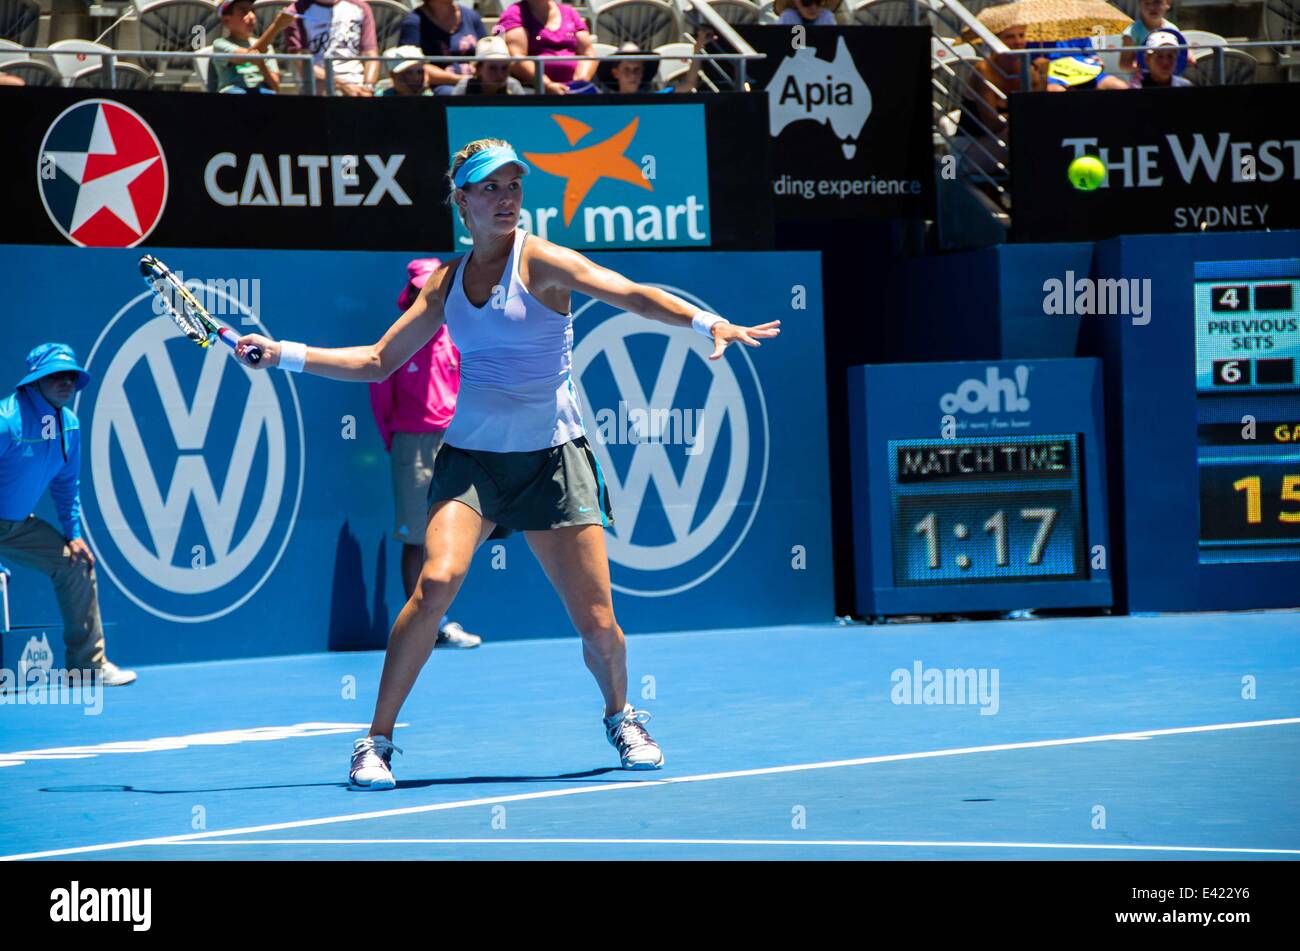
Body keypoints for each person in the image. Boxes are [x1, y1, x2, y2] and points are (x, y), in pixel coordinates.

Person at [234, 139, 780, 789]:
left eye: (514, 185)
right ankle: (375, 741)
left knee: (599, 623)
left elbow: (631, 295)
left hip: (555, 458)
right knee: (435, 583)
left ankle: (621, 715)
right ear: (461, 200)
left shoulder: (543, 261)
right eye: (489, 188)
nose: (506, 198)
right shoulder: (444, 285)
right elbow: (379, 359)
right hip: (472, 462)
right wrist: (283, 354)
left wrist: (702, 322)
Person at [0, 344, 135, 686]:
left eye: (71, 376)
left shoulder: (69, 426)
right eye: (55, 375)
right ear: (34, 382)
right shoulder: (5, 422)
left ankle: (86, 668)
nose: (66, 382)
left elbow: (66, 484)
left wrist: (73, 534)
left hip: (15, 527)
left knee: (76, 564)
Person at [369, 258, 481, 650]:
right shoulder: (398, 338)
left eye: (428, 288)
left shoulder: (457, 336)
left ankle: (440, 622)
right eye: (416, 289)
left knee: (448, 539)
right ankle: (425, 627)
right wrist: (396, 442)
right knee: (416, 537)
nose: (423, 295)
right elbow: (380, 396)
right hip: (411, 445)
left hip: (455, 443)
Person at [495, 0, 597, 94]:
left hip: (577, 91)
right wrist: (547, 85)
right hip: (534, 92)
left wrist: (579, 83)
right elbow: (518, 58)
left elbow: (588, 52)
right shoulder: (514, 14)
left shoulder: (569, 12)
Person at [281, 0, 380, 97]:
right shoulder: (296, 11)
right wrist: (341, 84)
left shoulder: (361, 8)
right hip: (317, 84)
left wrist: (368, 87)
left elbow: (370, 56)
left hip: (356, 82)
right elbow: (303, 65)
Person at [398, 0, 487, 96]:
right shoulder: (413, 22)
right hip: (438, 90)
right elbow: (410, 66)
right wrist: (462, 80)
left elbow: (487, 55)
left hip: (478, 84)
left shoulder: (472, 17)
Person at [212, 0, 297, 94]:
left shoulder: (266, 46)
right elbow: (250, 56)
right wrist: (276, 26)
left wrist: (261, 64)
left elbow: (276, 87)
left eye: (252, 11)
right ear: (226, 20)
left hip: (262, 91)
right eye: (244, 12)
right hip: (233, 90)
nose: (252, 16)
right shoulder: (219, 44)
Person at [452, 35, 526, 95]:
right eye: (492, 68)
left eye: (504, 68)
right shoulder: (464, 87)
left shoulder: (513, 86)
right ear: (479, 69)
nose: (500, 75)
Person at [1120, 0, 1177, 72]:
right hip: (1141, 80)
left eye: (1157, 2)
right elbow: (1124, 64)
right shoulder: (1132, 32)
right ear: (1140, 5)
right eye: (1147, 3)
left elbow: (1184, 55)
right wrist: (1145, 66)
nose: (1152, 7)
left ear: (1168, 3)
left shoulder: (1173, 30)